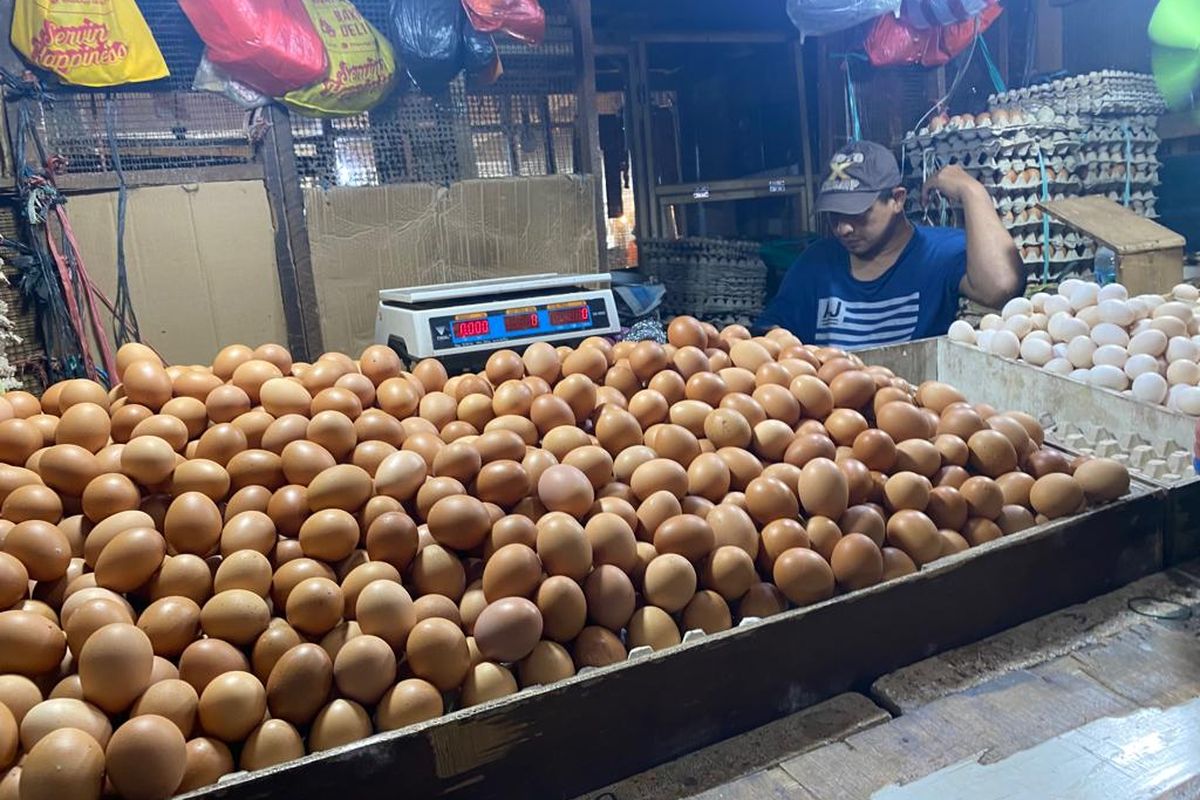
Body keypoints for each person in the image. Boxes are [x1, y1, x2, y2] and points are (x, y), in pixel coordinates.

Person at [756, 140, 1023, 348]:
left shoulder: (937, 254)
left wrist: (971, 191)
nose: (843, 228)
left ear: (897, 199)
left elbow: (1000, 287)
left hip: (914, 410)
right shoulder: (816, 264)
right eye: (834, 215)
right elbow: (772, 331)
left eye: (858, 213)